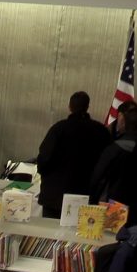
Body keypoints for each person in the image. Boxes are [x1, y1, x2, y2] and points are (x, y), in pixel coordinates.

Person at [33, 91, 112, 220]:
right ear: (87, 107)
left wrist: (44, 173)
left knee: (50, 230)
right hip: (87, 196)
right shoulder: (101, 131)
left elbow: (44, 158)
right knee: (81, 231)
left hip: (55, 196)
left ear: (70, 107)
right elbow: (107, 163)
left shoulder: (58, 128)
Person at [90, 103, 137, 214]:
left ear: (125, 124)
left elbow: (98, 176)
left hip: (115, 206)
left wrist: (93, 200)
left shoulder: (115, 148)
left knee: (113, 227)